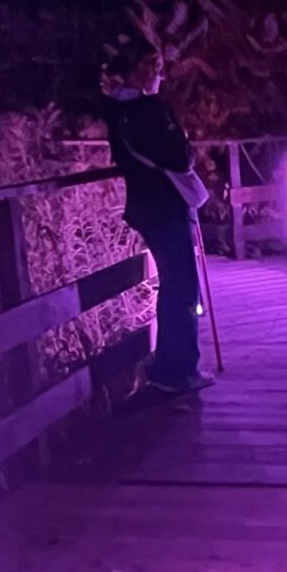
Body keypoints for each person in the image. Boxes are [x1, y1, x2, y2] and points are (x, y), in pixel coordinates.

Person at [100, 41, 214, 393]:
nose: (160, 76)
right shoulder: (150, 109)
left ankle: (168, 366)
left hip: (144, 206)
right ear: (142, 71)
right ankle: (179, 371)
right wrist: (182, 141)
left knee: (173, 285)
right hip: (166, 206)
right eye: (157, 69)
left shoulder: (116, 112)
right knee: (183, 288)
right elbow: (181, 157)